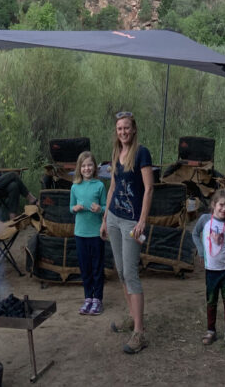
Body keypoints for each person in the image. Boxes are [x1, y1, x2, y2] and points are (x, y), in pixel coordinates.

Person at [100, 111, 154, 354]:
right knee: (120, 272)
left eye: (126, 128)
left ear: (134, 129)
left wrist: (142, 220)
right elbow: (112, 186)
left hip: (132, 222)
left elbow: (149, 189)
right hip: (113, 217)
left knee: (131, 273)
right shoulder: (116, 151)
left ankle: (139, 333)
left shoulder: (141, 153)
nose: (123, 132)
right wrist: (104, 219)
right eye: (119, 128)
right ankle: (133, 318)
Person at [191, 187, 225, 347]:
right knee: (211, 301)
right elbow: (195, 234)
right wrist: (201, 251)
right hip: (211, 271)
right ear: (213, 204)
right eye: (221, 205)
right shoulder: (204, 220)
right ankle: (211, 330)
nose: (224, 209)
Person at [69, 150, 106, 315]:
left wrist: (100, 209)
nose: (87, 168)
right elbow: (71, 207)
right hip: (80, 234)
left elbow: (106, 208)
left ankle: (98, 299)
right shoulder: (75, 187)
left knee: (97, 267)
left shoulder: (99, 185)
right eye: (83, 166)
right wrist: (74, 208)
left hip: (96, 234)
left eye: (90, 165)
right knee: (85, 268)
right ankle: (87, 298)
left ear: (95, 167)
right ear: (79, 168)